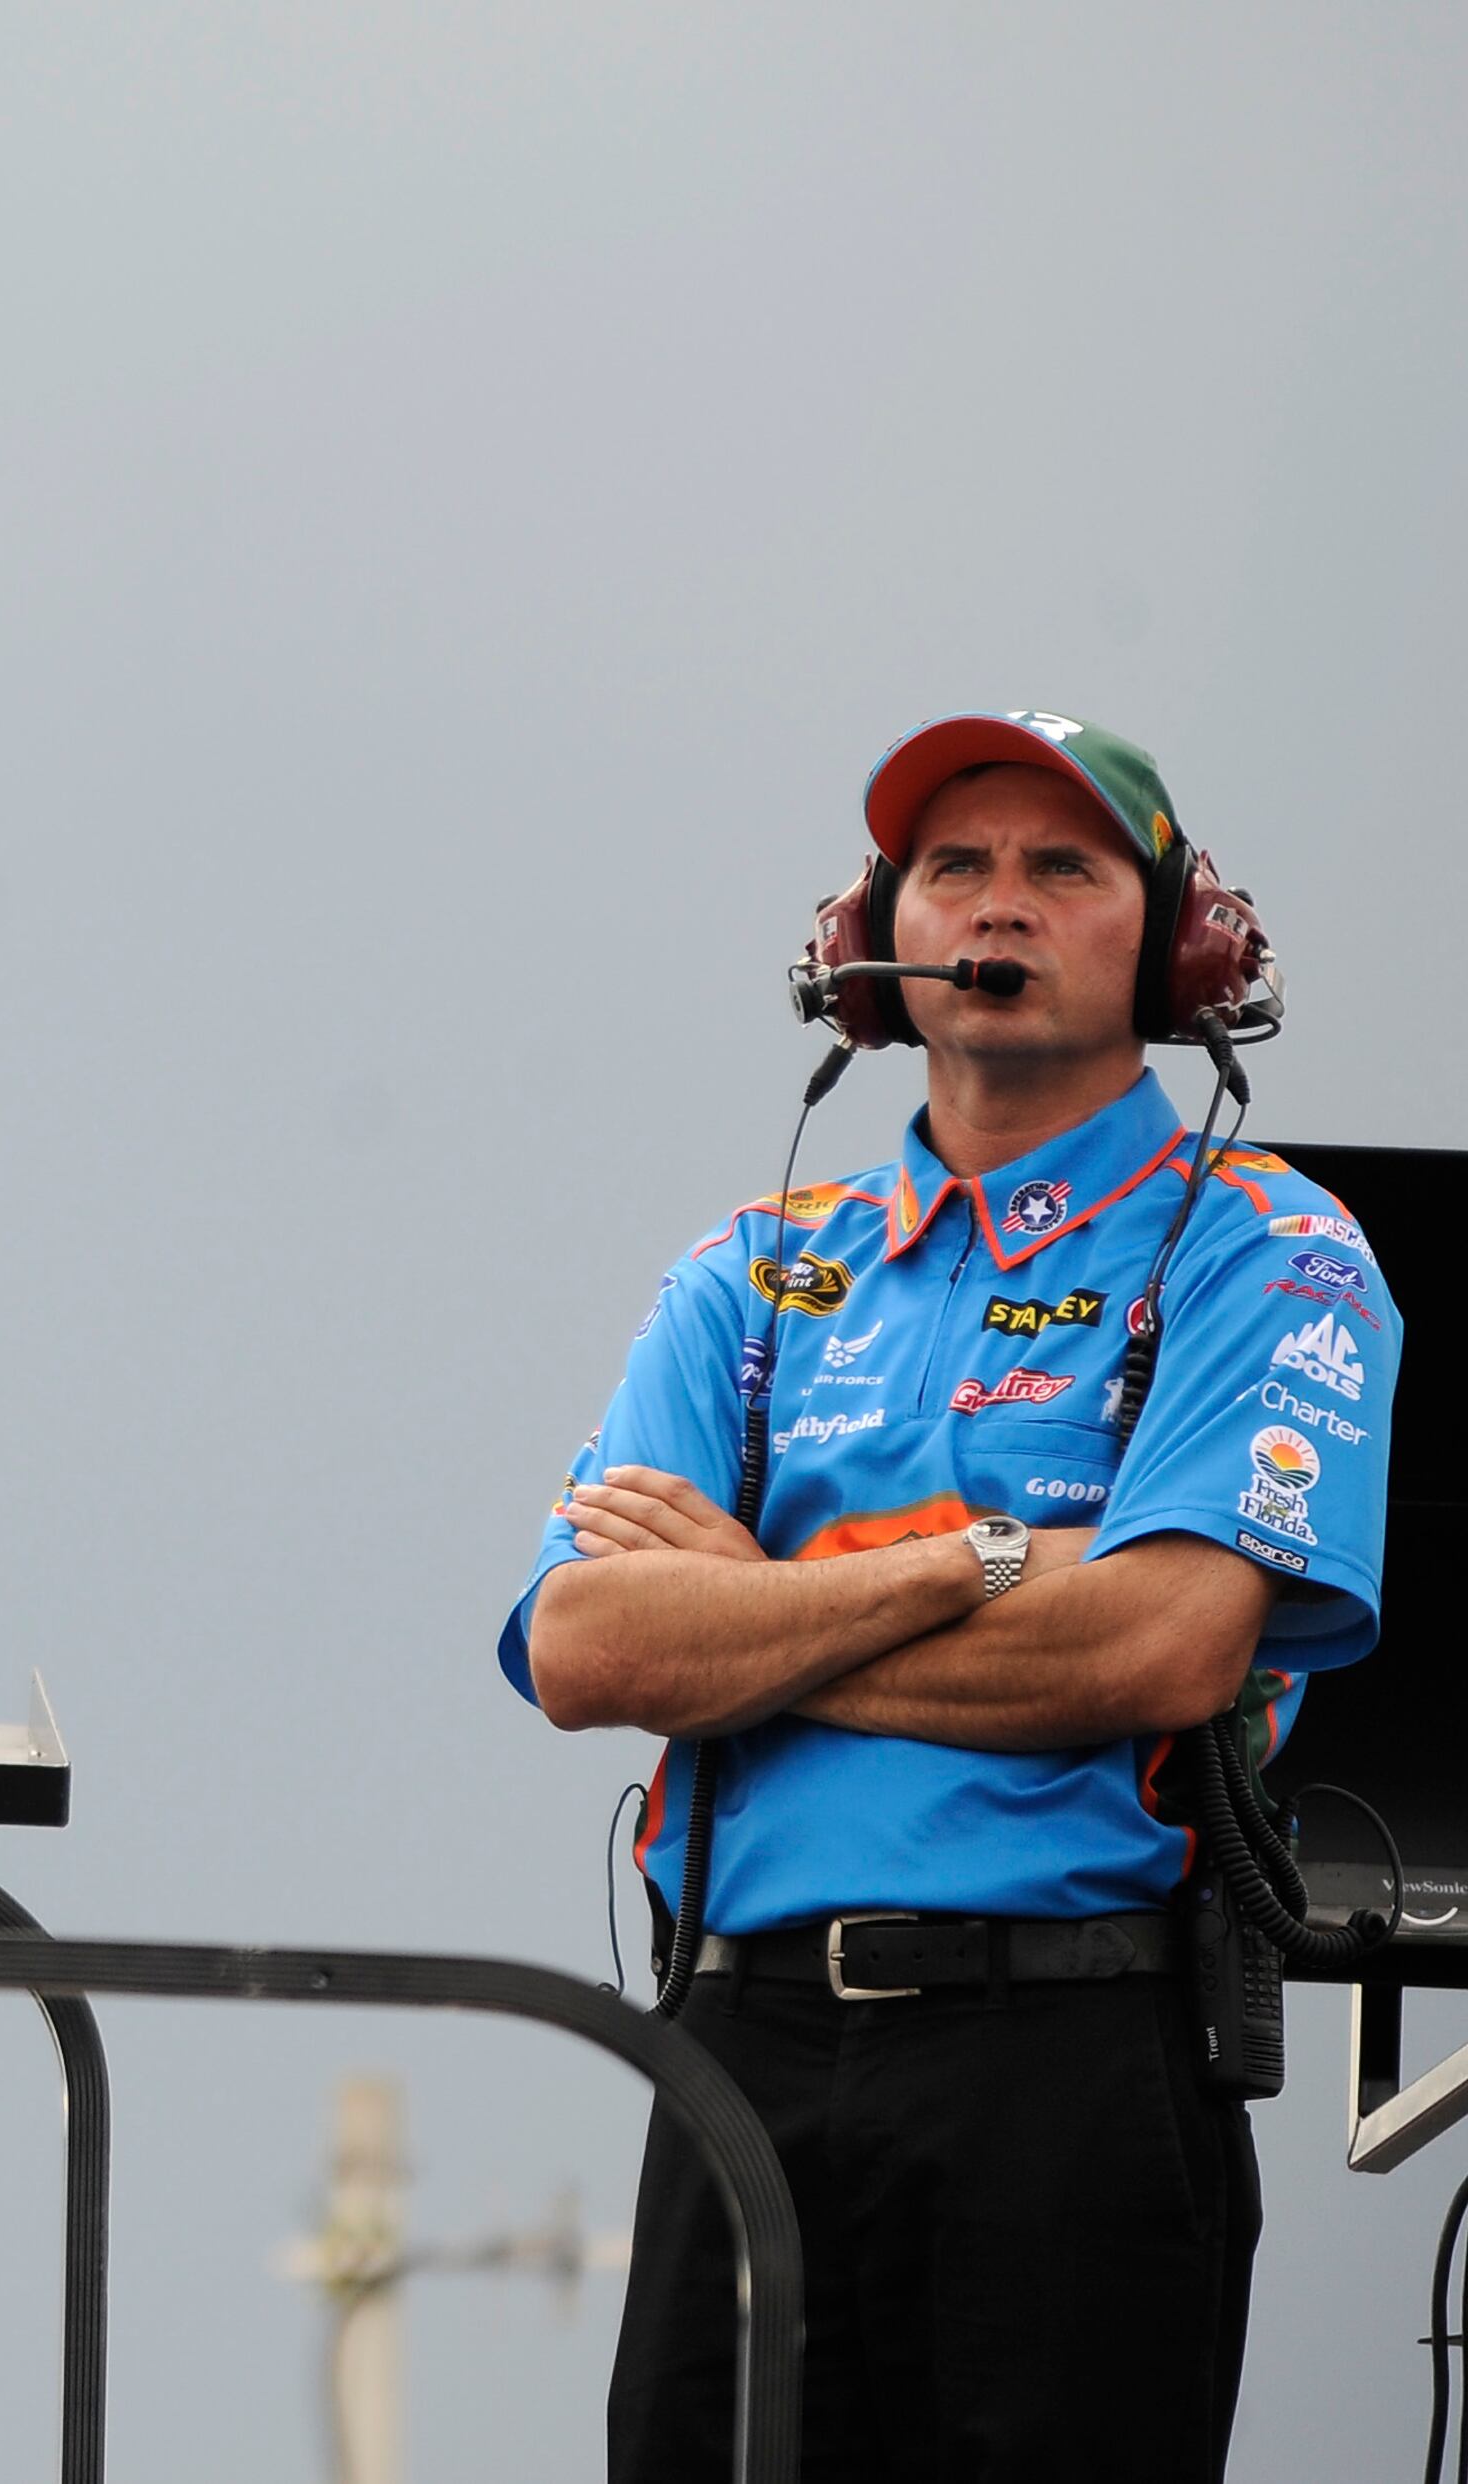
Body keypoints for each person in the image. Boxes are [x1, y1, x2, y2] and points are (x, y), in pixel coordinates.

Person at [501, 711, 1398, 2481]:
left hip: (1074, 2061)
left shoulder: (1274, 1248)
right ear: (872, 939)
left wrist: (749, 1622)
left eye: (1064, 867)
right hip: (737, 2059)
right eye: (954, 866)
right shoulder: (747, 1269)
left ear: (1180, 946)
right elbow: (589, 1645)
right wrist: (973, 1567)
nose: (1001, 906)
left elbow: (1161, 1641)